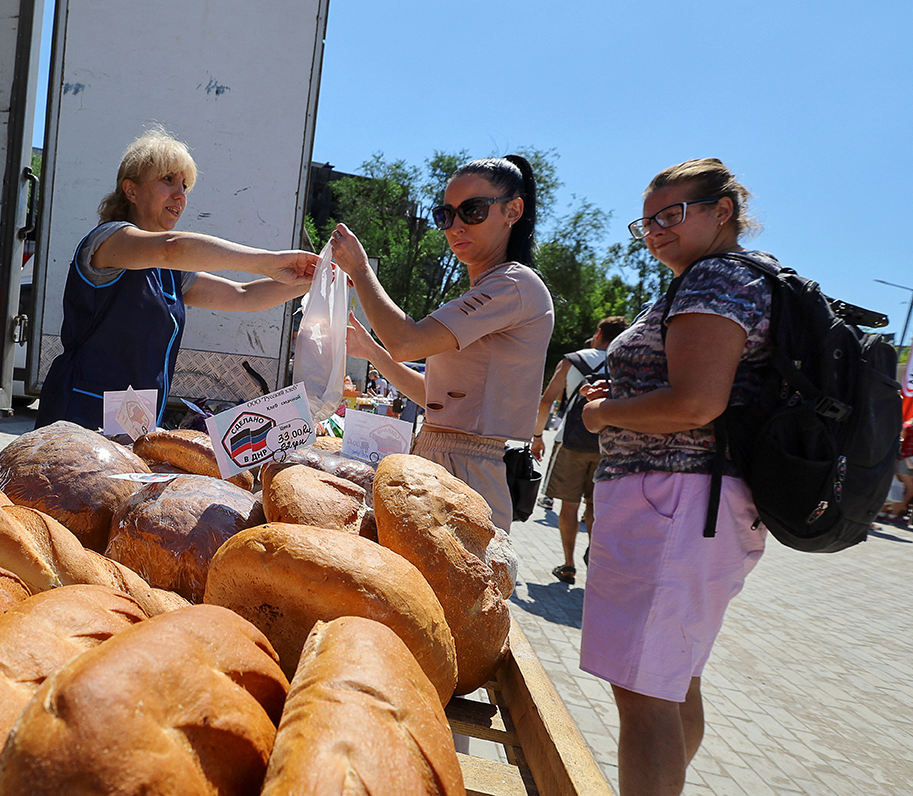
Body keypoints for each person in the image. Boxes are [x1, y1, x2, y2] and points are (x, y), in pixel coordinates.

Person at [579, 158, 773, 796]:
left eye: (672, 214)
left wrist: (603, 413)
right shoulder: (719, 280)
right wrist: (627, 390)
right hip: (695, 503)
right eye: (647, 221)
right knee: (671, 681)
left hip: (674, 502)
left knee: (644, 694)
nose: (656, 230)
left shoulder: (714, 280)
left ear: (722, 212)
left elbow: (695, 403)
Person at [35, 127, 317, 430]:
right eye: (167, 180)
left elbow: (243, 295)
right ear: (131, 190)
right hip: (78, 420)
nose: (180, 194)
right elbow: (173, 248)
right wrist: (270, 262)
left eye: (185, 185)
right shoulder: (108, 240)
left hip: (130, 428)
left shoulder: (170, 272)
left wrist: (312, 280)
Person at [329, 155, 554, 535]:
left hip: (470, 469)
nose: (456, 226)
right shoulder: (495, 288)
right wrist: (371, 351)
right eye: (445, 215)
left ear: (513, 210)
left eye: (473, 211)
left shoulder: (513, 285)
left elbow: (406, 341)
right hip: (446, 455)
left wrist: (361, 269)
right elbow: (435, 399)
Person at [530, 316, 628, 584]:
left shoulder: (573, 360)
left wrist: (538, 436)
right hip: (608, 444)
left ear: (599, 333)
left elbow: (546, 401)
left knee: (568, 506)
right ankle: (595, 564)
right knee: (596, 509)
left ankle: (568, 564)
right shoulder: (625, 361)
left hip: (570, 441)